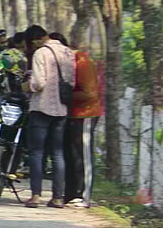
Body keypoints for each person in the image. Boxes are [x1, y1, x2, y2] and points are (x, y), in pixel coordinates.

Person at [23, 24, 75, 208]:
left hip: (41, 108)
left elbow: (39, 83)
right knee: (58, 153)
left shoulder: (40, 53)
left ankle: (36, 196)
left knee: (37, 152)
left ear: (36, 40)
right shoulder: (68, 52)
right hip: (62, 109)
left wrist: (27, 86)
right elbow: (71, 81)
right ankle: (58, 197)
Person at [65, 40, 102, 207]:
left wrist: (64, 96)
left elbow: (90, 93)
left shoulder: (82, 62)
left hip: (85, 114)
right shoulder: (68, 63)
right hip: (72, 115)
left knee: (84, 155)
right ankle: (73, 193)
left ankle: (85, 196)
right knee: (73, 155)